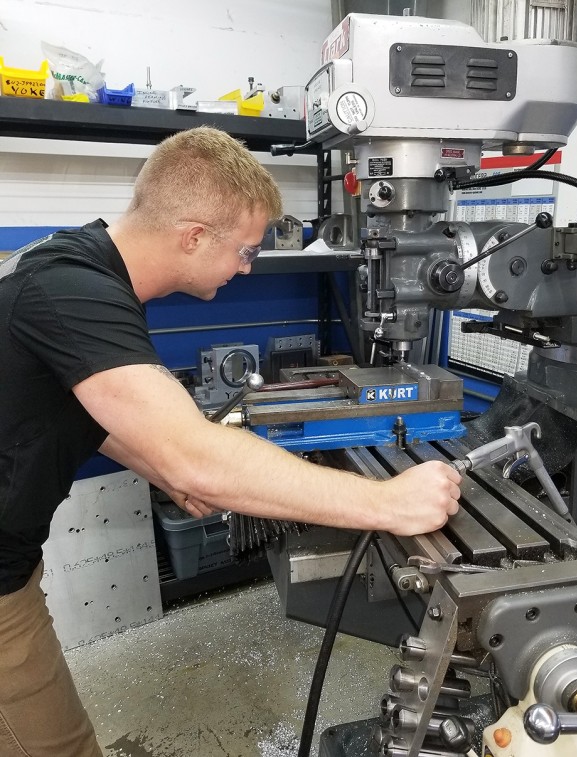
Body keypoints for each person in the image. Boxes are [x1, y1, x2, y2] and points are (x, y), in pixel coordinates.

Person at [0, 126, 461, 756]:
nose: (247, 268)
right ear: (193, 236)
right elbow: (197, 460)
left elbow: (74, 408)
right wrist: (388, 503)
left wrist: (160, 469)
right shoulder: (74, 293)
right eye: (244, 251)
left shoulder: (74, 263)